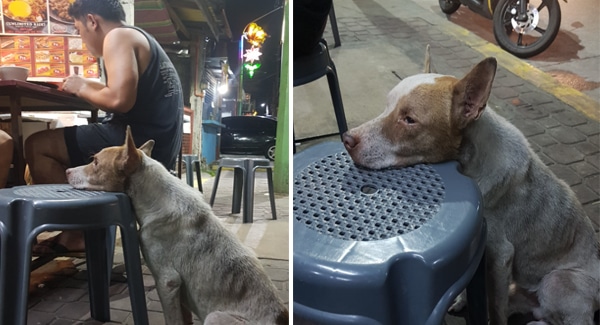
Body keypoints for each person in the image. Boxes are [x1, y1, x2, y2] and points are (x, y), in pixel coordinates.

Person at [25, 0, 183, 255]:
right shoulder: (138, 37)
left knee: (37, 145)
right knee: (62, 144)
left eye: (78, 29)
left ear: (92, 21)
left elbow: (120, 100)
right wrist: (85, 84)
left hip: (133, 146)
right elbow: (120, 93)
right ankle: (81, 229)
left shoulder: (117, 37)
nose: (81, 38)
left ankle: (76, 235)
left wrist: (82, 87)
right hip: (154, 146)